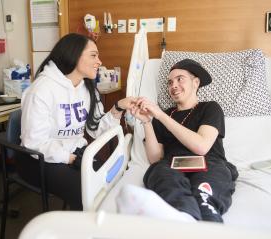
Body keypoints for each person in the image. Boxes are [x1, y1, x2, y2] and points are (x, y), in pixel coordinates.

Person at [21, 33, 135, 210]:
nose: (99, 61)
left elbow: (96, 129)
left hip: (75, 152)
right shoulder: (41, 90)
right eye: (93, 55)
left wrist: (118, 107)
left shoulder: (88, 88)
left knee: (110, 184)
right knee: (89, 193)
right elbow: (34, 143)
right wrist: (70, 158)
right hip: (38, 159)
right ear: (74, 55)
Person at [122, 59, 238, 222]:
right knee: (160, 173)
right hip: (171, 166)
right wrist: (147, 121)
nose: (173, 86)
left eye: (180, 79)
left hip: (209, 164)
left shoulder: (210, 108)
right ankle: (184, 216)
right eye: (170, 82)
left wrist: (160, 115)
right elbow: (155, 158)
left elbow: (201, 147)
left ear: (195, 82)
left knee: (205, 197)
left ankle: (207, 220)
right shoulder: (162, 116)